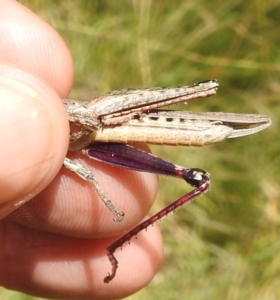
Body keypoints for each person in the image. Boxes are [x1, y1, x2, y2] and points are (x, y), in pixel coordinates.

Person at [0, 1, 163, 298]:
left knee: (92, 113)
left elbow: (83, 117)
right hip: (92, 139)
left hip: (101, 121)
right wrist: (103, 195)